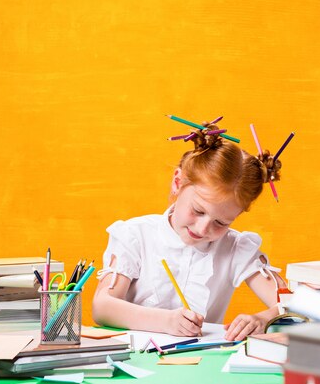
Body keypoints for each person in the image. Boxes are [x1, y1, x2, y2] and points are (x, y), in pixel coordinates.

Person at [92, 120, 289, 341]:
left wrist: (263, 319)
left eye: (221, 223)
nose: (203, 228)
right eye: (198, 210)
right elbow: (102, 307)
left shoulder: (236, 248)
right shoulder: (135, 236)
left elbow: (294, 306)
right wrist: (166, 321)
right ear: (178, 182)